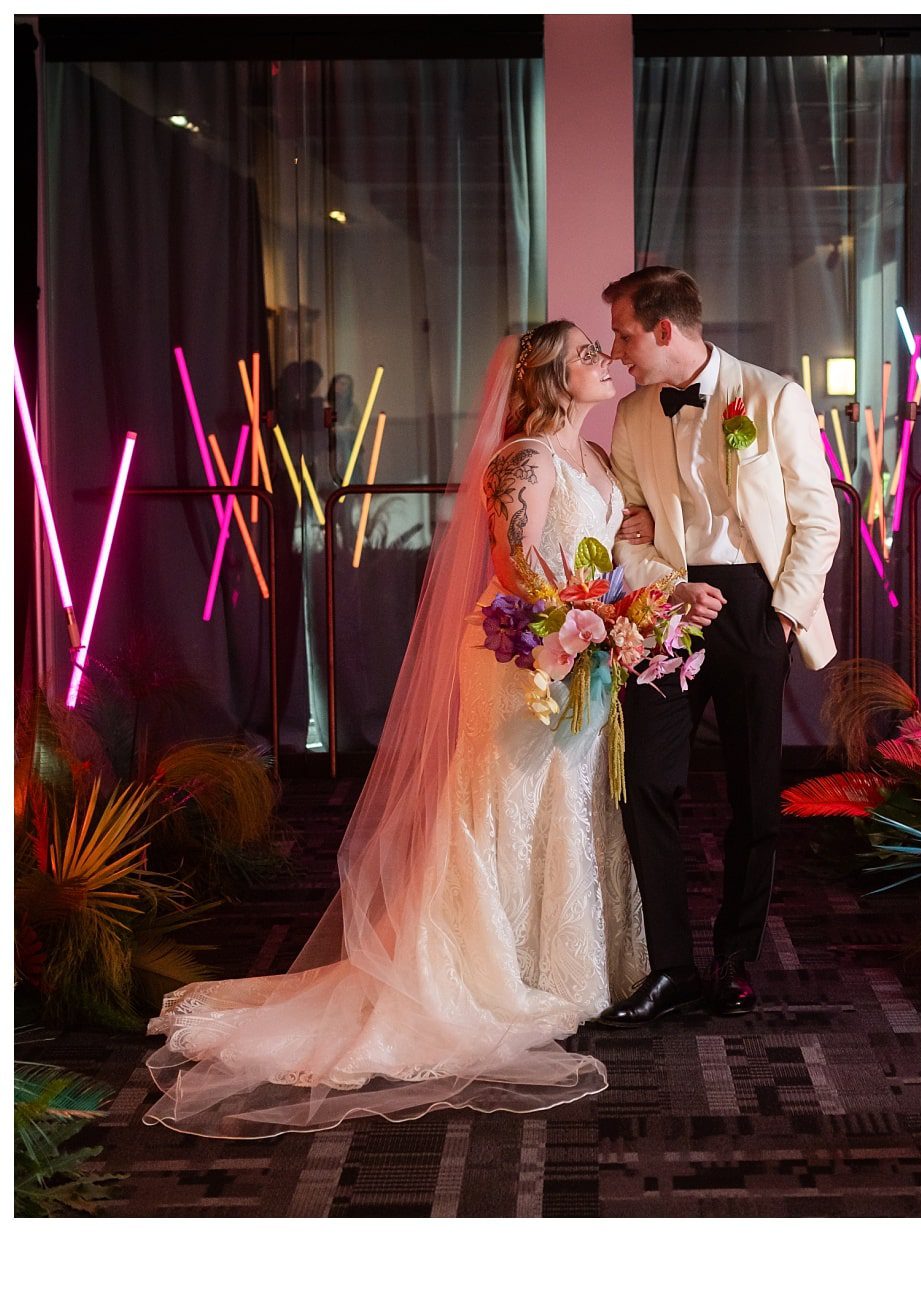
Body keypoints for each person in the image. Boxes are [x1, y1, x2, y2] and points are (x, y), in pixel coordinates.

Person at [144, 322, 652, 1137]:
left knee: (570, 796)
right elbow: (519, 562)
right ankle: (479, 969)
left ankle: (554, 962)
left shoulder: (593, 459)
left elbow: (613, 545)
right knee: (501, 799)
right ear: (553, 377)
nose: (604, 362)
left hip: (582, 646)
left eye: (601, 350)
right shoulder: (524, 459)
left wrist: (630, 608)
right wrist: (585, 618)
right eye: (587, 354)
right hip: (521, 646)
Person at [597, 266, 840, 1025]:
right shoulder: (632, 415)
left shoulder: (773, 398)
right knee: (647, 784)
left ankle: (734, 958)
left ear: (665, 330)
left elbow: (818, 519)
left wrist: (785, 617)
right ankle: (669, 966)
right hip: (670, 604)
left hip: (757, 609)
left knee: (753, 796)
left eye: (625, 333)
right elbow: (627, 528)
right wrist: (669, 586)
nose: (617, 350)